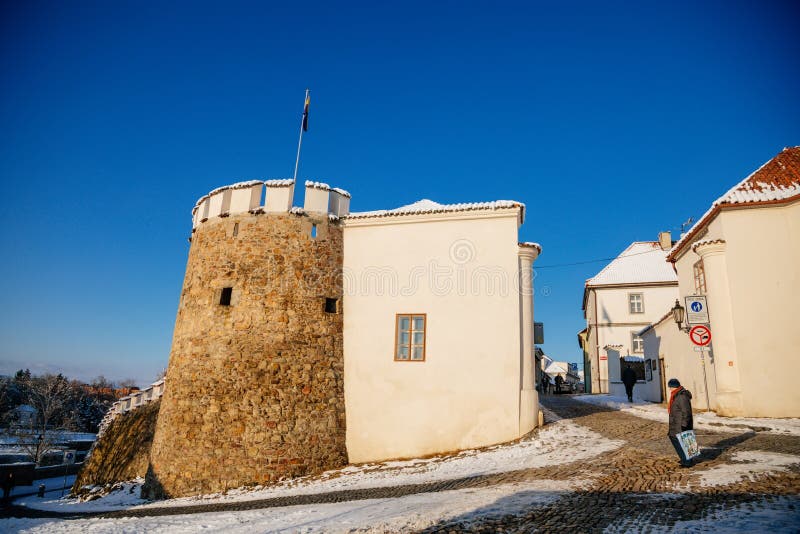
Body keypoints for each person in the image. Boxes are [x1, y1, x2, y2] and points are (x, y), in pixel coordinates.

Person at [667, 378, 695, 468]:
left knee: (683, 441)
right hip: (676, 422)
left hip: (681, 424)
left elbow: (686, 412)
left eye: (670, 387)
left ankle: (687, 461)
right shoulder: (676, 395)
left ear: (673, 387)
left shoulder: (681, 396)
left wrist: (684, 425)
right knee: (679, 439)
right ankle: (685, 459)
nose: (669, 389)